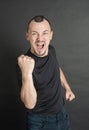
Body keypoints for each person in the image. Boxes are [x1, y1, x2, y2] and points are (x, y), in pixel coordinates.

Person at [16, 15, 75, 130]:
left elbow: (56, 67)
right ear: (27, 35)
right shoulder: (23, 64)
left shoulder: (51, 50)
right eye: (34, 33)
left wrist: (67, 87)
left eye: (44, 33)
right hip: (40, 122)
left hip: (61, 114)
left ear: (51, 35)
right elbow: (29, 104)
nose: (40, 38)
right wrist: (27, 74)